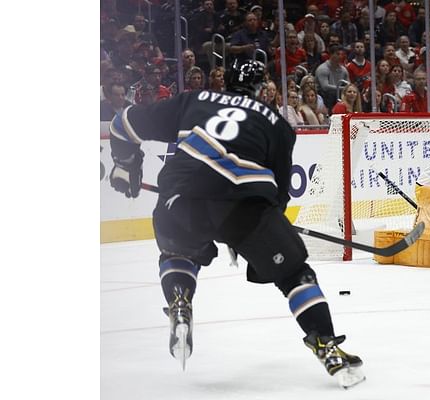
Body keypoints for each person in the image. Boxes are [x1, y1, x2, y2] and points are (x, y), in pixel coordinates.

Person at [106, 59, 365, 388]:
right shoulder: (278, 125)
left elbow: (123, 122)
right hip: (244, 207)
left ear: (226, 81)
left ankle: (179, 301)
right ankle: (326, 346)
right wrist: (249, 238)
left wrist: (125, 164)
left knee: (179, 253)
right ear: (263, 90)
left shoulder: (194, 99)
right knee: (295, 275)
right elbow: (278, 195)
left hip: (179, 201)